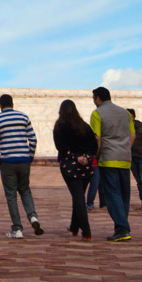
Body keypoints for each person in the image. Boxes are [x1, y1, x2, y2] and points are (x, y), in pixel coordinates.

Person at [0, 94, 42, 239]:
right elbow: (33, 139)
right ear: (12, 104)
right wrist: (30, 156)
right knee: (25, 190)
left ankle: (17, 229)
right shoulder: (23, 117)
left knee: (11, 195)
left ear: (0, 105)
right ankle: (33, 217)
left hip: (8, 162)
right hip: (24, 160)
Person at [89, 86, 134, 242]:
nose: (94, 102)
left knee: (113, 194)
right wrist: (125, 149)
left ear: (99, 98)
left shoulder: (97, 114)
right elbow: (132, 135)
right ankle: (122, 227)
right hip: (125, 158)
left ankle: (122, 228)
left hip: (109, 158)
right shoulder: (126, 113)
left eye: (93, 98)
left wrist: (95, 156)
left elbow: (97, 139)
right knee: (124, 195)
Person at [52, 99, 94, 241]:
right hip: (86, 166)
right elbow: (93, 145)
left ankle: (87, 232)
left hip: (69, 166)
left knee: (78, 197)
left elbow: (61, 147)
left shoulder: (59, 126)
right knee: (79, 195)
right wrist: (86, 157)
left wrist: (75, 157)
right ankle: (74, 227)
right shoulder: (84, 126)